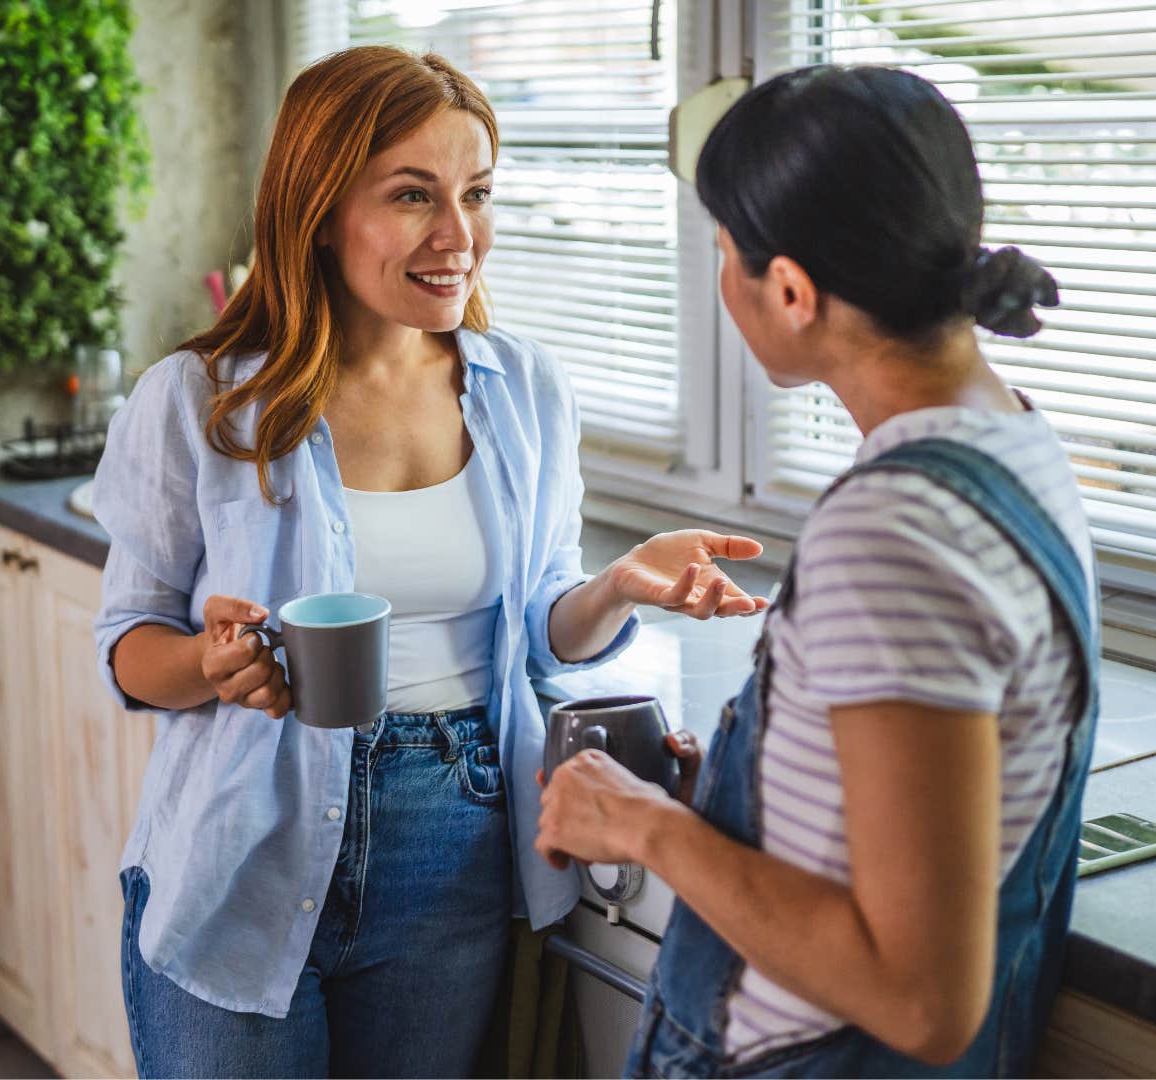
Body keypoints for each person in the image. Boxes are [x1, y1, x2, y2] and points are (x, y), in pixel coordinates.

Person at [90, 45, 766, 1078]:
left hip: (456, 842)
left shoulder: (524, 390)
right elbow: (129, 643)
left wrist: (619, 584)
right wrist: (207, 664)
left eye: (477, 194)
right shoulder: (201, 401)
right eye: (414, 196)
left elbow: (539, 626)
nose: (459, 237)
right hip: (242, 847)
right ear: (318, 208)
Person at [536, 64, 1099, 1077]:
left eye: (724, 254)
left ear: (791, 291)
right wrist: (755, 799)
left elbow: (919, 998)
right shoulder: (1013, 442)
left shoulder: (892, 532)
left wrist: (651, 827)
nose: (720, 281)